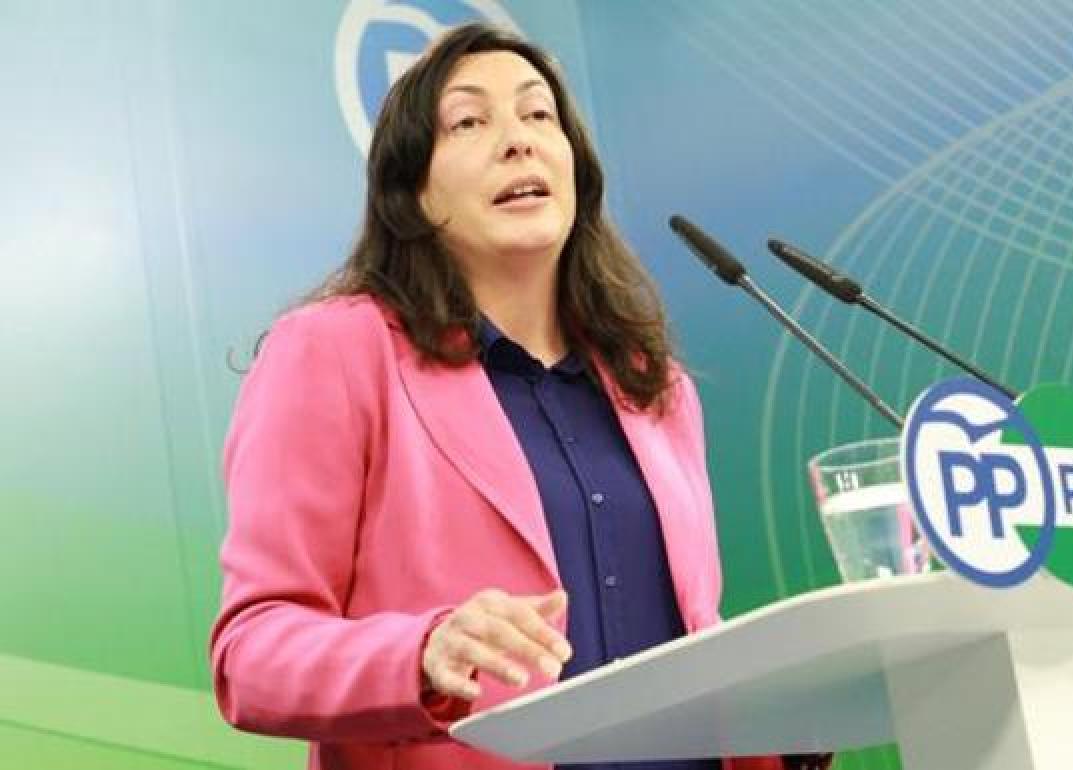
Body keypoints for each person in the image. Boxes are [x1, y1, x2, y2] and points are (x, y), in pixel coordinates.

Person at [210, 22, 829, 770]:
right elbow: (251, 653)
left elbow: (686, 639)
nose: (518, 141)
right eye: (469, 122)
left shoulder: (654, 387)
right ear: (411, 193)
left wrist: (775, 723)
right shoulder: (336, 351)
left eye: (539, 114)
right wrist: (421, 652)